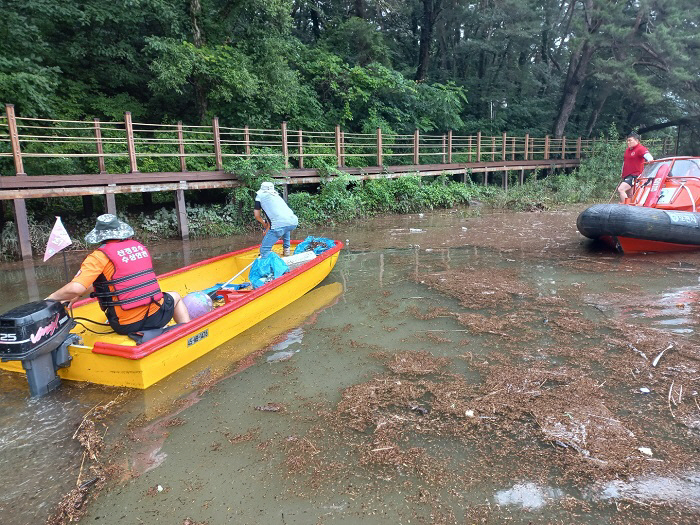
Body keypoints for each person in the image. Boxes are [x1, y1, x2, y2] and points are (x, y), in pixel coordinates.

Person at [47, 214, 190, 335]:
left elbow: (75, 288)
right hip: (156, 315)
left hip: (126, 324)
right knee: (175, 296)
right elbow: (118, 281)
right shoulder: (139, 247)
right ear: (120, 232)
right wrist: (77, 295)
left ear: (99, 235)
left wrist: (50, 298)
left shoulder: (98, 257)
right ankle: (187, 333)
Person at [254, 181, 298, 257]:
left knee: (264, 250)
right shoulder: (277, 196)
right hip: (293, 221)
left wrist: (264, 224)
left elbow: (257, 216)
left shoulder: (259, 197)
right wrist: (267, 227)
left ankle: (266, 263)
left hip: (278, 225)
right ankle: (287, 251)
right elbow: (276, 216)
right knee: (285, 227)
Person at [616, 132, 654, 203]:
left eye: (630, 140)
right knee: (630, 194)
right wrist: (622, 173)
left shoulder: (640, 149)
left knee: (621, 189)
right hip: (627, 175)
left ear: (636, 141)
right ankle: (631, 206)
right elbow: (625, 162)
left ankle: (625, 206)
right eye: (627, 141)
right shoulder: (627, 151)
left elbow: (649, 157)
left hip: (634, 175)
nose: (628, 142)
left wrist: (650, 160)